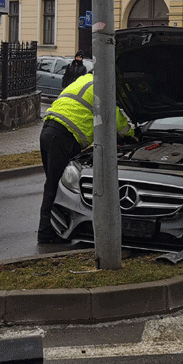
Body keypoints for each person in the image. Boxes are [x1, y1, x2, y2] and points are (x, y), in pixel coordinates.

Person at [38, 72, 134, 243]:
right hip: (63, 136)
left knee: (55, 185)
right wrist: (134, 134)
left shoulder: (84, 80)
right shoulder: (102, 88)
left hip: (48, 131)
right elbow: (115, 119)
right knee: (56, 186)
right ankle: (46, 233)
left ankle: (54, 228)